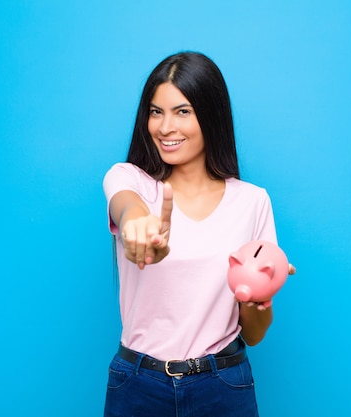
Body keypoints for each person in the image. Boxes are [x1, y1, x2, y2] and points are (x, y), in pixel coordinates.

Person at [102, 51, 295, 417]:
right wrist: (137, 223)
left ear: (211, 115)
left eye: (182, 111)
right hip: (138, 384)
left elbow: (253, 334)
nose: (164, 127)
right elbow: (125, 205)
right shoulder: (131, 181)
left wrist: (262, 296)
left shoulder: (252, 202)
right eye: (156, 112)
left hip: (222, 383)